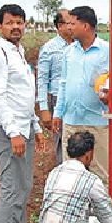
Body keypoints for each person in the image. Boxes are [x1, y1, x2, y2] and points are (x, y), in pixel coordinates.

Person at [0, 4, 44, 223]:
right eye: (10, 22)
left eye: (19, 22)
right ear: (0, 27)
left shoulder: (19, 53)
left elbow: (23, 96)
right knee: (11, 187)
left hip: (24, 129)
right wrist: (13, 132)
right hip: (11, 133)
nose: (16, 26)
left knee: (24, 185)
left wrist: (35, 126)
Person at [52, 6, 109, 185]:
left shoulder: (107, 51)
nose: (69, 27)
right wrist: (57, 113)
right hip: (71, 120)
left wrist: (110, 95)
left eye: (72, 23)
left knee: (99, 172)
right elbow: (63, 84)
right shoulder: (69, 52)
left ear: (85, 26)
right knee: (70, 173)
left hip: (97, 121)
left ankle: (99, 211)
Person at [37, 9, 73, 165]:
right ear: (60, 26)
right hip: (58, 100)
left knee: (78, 141)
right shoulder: (49, 49)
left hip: (77, 99)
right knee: (62, 142)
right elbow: (42, 80)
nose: (73, 26)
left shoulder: (80, 45)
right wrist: (44, 110)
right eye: (69, 22)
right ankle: (63, 176)